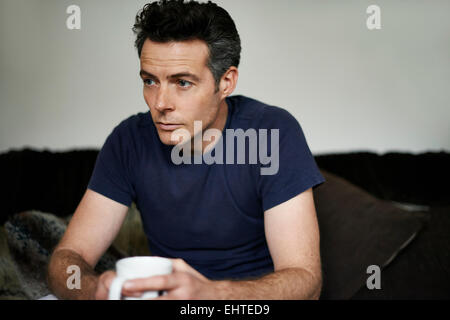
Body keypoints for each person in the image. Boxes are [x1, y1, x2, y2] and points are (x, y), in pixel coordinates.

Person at [47, 0, 325, 300]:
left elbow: (306, 281)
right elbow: (67, 257)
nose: (160, 103)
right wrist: (96, 290)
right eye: (150, 81)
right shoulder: (128, 140)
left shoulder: (273, 133)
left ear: (226, 82)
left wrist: (211, 295)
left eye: (182, 82)